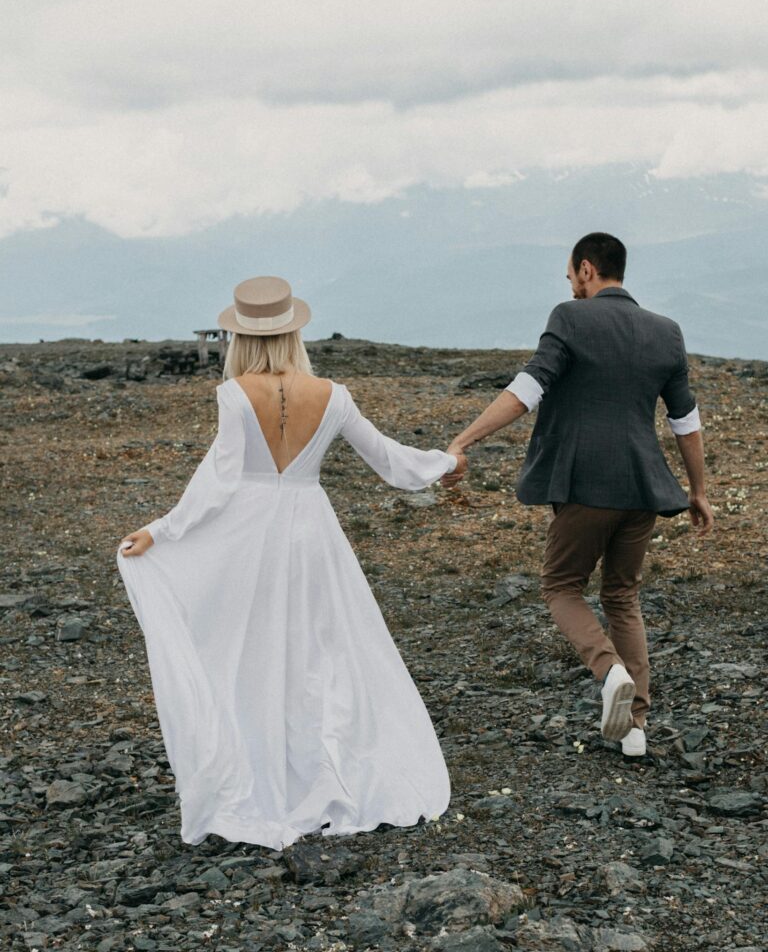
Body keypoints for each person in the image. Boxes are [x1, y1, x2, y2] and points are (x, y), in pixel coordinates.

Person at [116, 275, 462, 851]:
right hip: (311, 531)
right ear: (293, 331)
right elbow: (390, 462)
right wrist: (446, 463)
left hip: (249, 536)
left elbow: (217, 482)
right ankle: (327, 763)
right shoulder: (334, 395)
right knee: (323, 648)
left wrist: (162, 530)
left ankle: (264, 769)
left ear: (241, 336)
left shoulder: (234, 394)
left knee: (251, 651)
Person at [442, 233, 714, 758]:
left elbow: (527, 390)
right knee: (622, 595)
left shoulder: (570, 317)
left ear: (587, 269)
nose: (569, 283)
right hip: (643, 487)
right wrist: (698, 491)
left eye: (570, 274)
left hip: (585, 485)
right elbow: (685, 419)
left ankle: (610, 672)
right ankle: (635, 727)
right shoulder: (667, 331)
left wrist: (463, 440)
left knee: (561, 586)